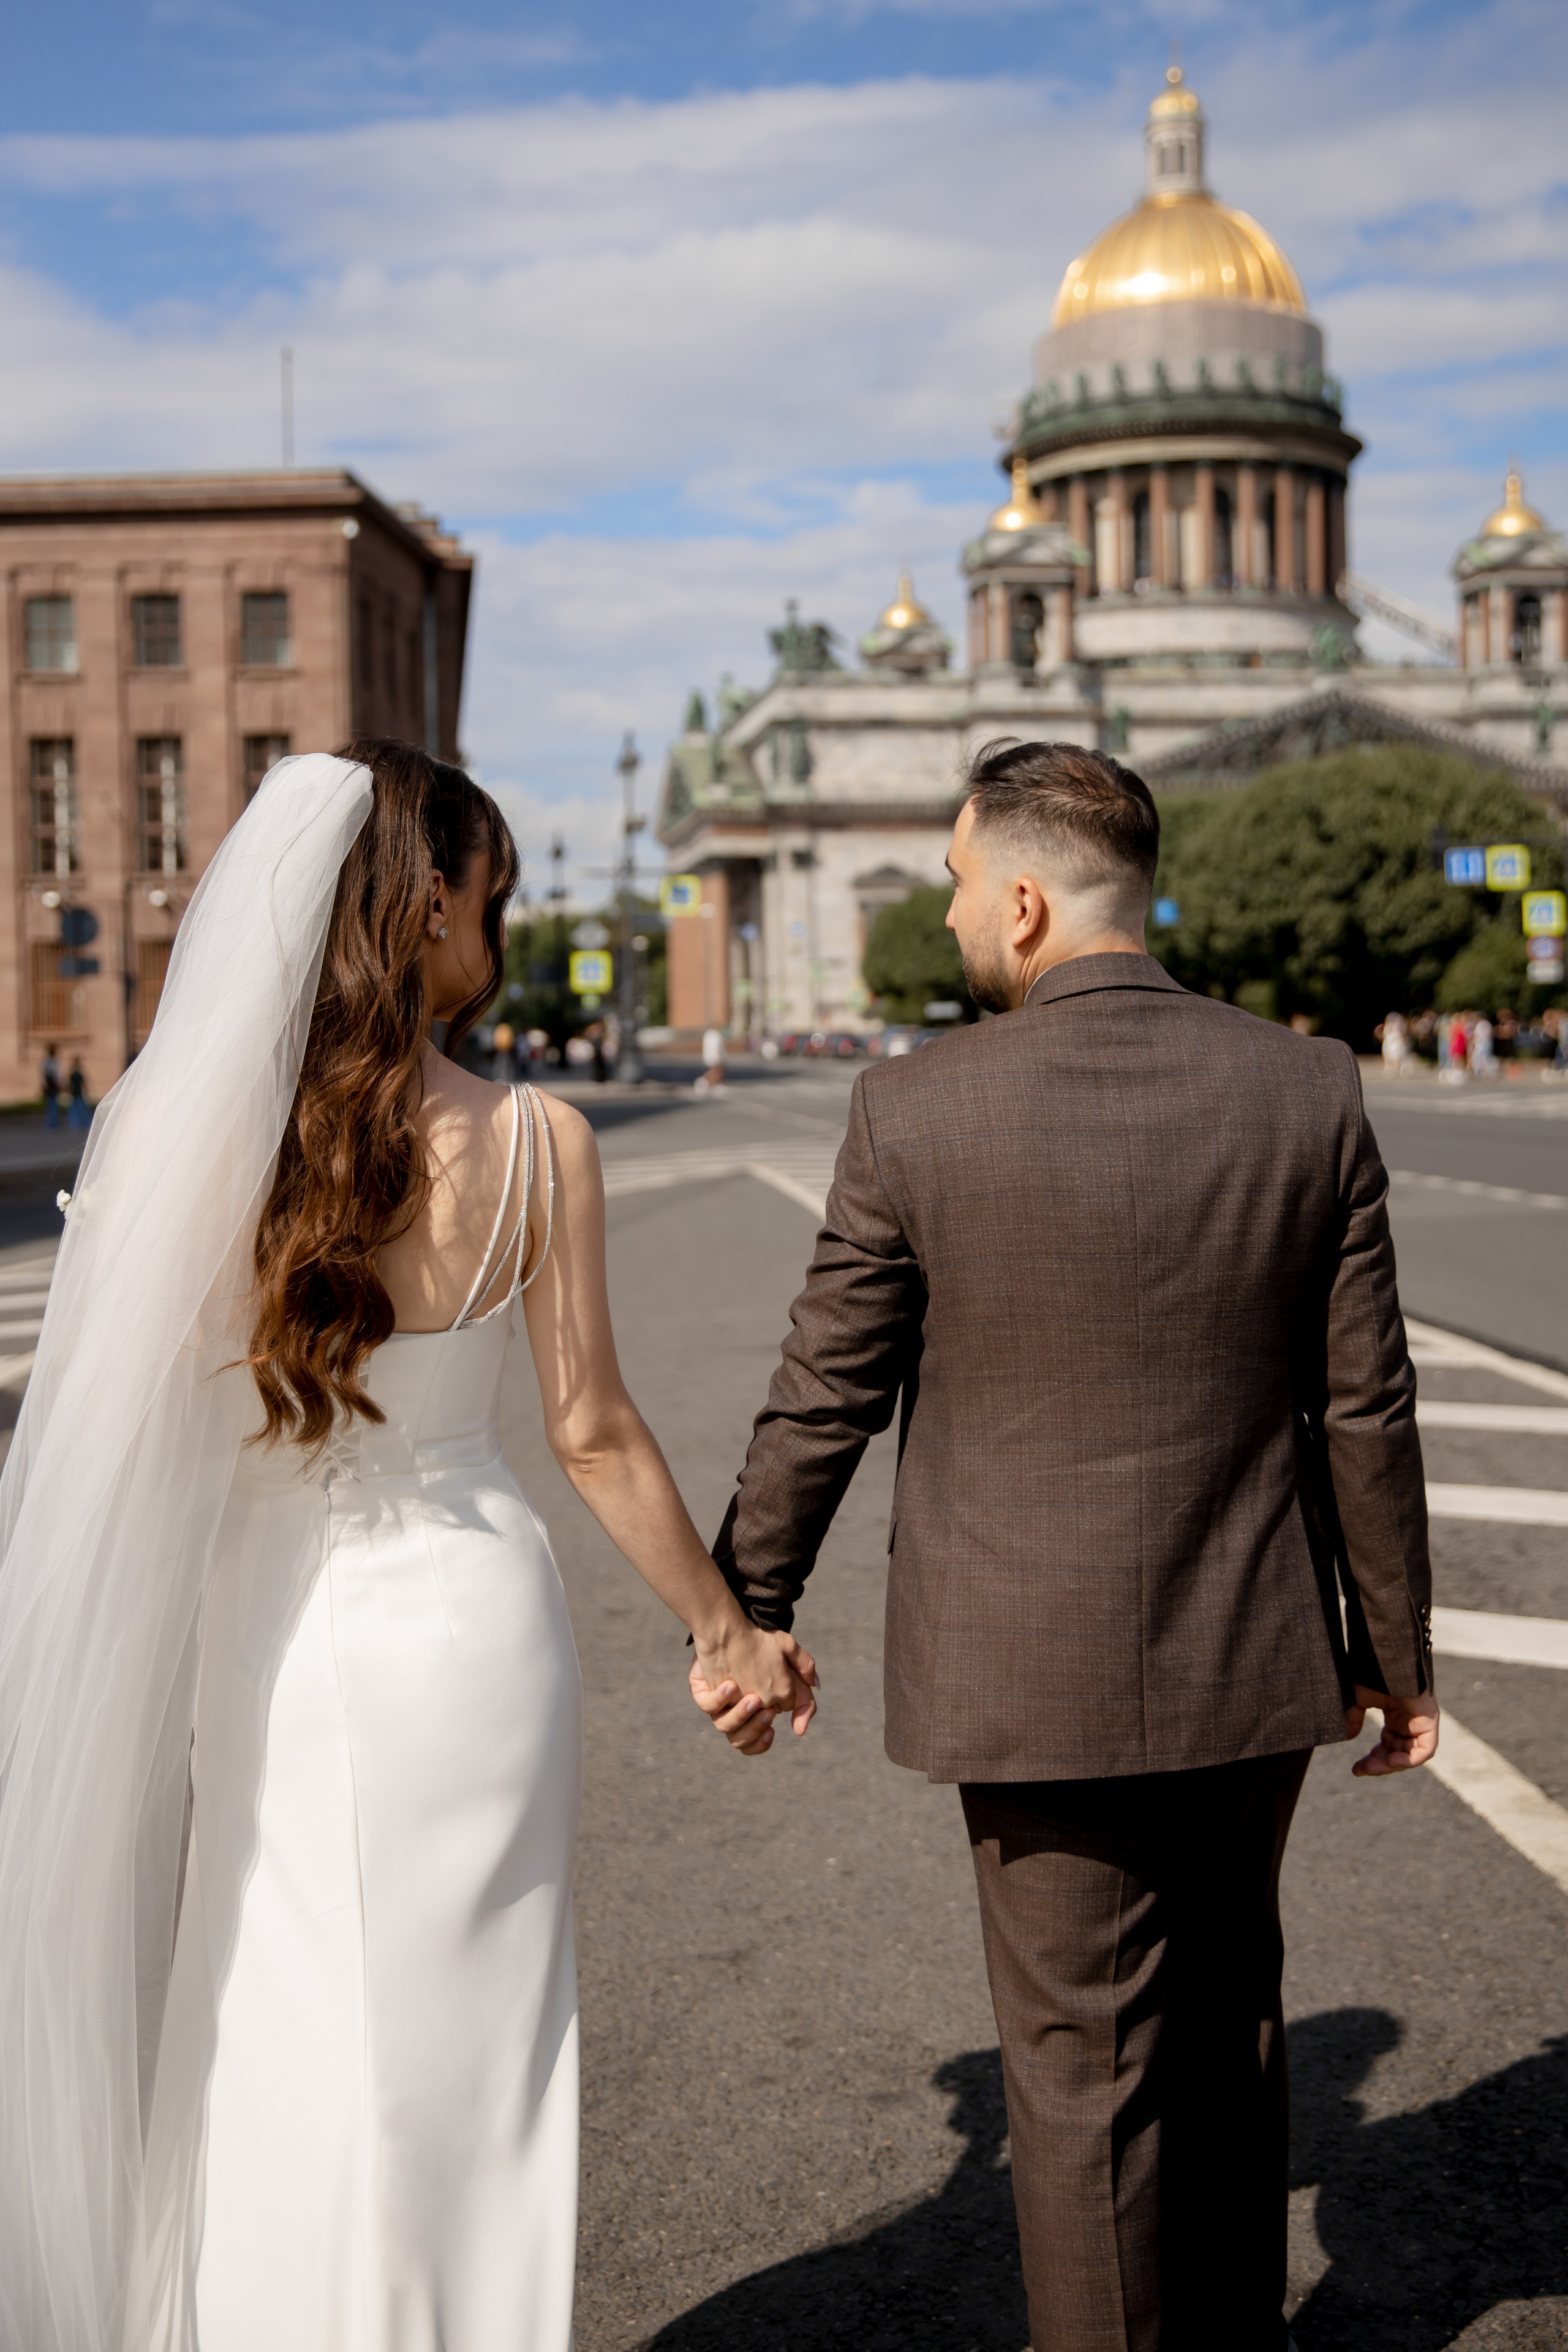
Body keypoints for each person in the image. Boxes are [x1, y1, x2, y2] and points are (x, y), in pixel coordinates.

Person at [0, 744, 814, 2352]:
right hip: (464, 1627)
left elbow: (130, 1420)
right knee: (470, 2038)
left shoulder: (182, 1138)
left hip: (269, 1630)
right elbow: (590, 1430)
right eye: (490, 894)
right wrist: (727, 1633)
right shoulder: (532, 1141)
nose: (497, 926)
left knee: (265, 2007)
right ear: (428, 904)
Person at [693, 738, 1436, 2352]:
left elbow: (824, 1394)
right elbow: (1365, 1409)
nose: (956, 918)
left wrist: (745, 1608)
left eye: (960, 887)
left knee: (1083, 2084)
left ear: (1024, 902)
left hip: (1027, 1682)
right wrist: (1397, 1658)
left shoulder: (916, 1106)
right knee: (1230, 2034)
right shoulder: (1307, 1088)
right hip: (1255, 1662)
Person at [697, 1022, 727, 1094]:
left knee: (718, 1071)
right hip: (714, 1056)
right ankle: (703, 1081)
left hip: (712, 1055)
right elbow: (716, 1047)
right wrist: (718, 1055)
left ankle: (715, 1084)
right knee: (715, 1071)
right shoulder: (714, 1035)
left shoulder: (711, 1034)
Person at [39, 1042, 60, 1129]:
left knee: (51, 1105)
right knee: (52, 1105)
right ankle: (52, 1124)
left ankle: (51, 1123)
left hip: (49, 1085)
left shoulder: (47, 1062)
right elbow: (54, 1075)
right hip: (52, 1085)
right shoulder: (51, 1063)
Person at [66, 1056, 90, 1129]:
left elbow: (71, 1084)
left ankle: (77, 1123)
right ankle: (80, 1123)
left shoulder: (75, 1074)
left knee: (76, 1109)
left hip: (76, 1093)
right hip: (77, 1092)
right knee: (79, 1108)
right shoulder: (77, 1074)